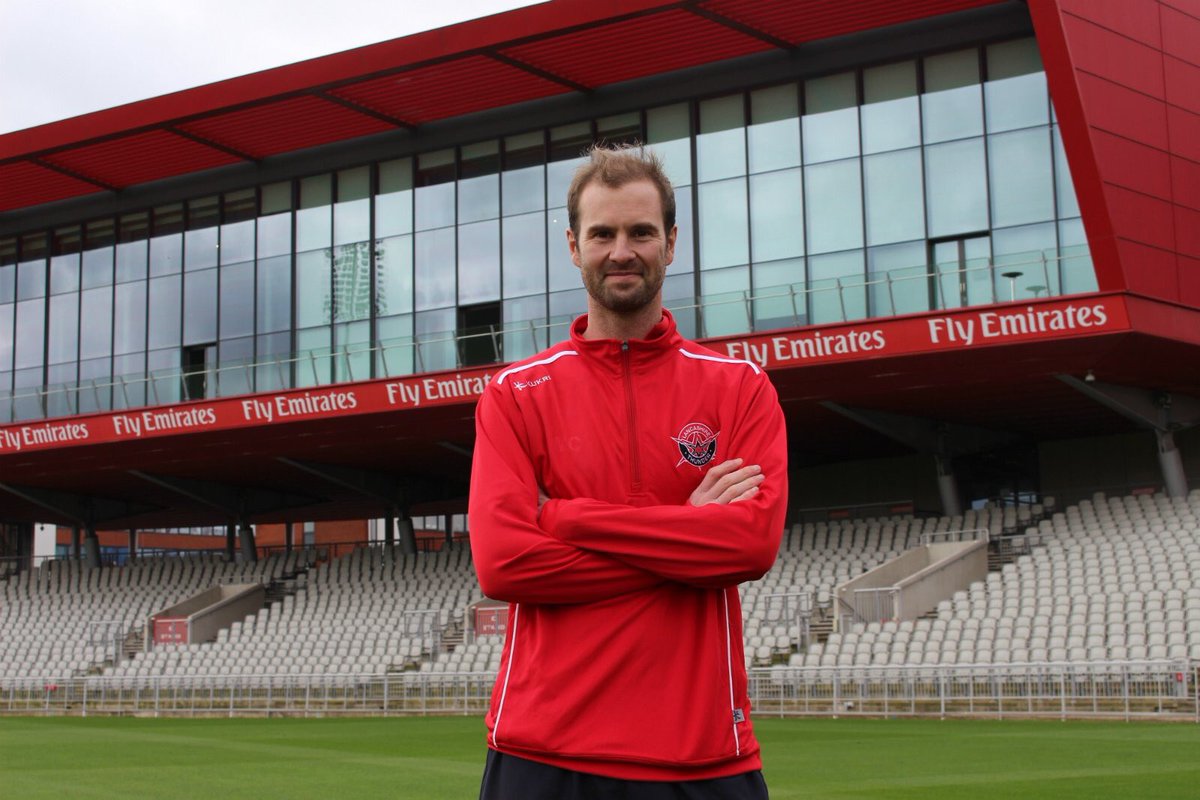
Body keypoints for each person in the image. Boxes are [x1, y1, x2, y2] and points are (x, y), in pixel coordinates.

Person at [468, 144, 788, 799]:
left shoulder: (740, 388)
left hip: (701, 756)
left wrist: (563, 515)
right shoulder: (515, 393)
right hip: (544, 752)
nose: (622, 250)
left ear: (671, 243)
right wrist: (685, 533)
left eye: (641, 232)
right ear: (572, 245)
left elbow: (748, 544)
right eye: (603, 233)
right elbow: (503, 564)